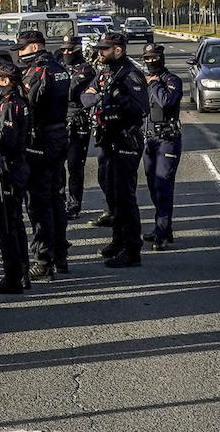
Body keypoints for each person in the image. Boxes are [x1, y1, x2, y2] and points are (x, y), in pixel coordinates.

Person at [82, 32, 150, 268]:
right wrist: (100, 97)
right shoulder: (104, 72)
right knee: (110, 191)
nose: (100, 53)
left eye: (105, 49)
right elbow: (85, 96)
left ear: (118, 50)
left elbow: (142, 108)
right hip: (107, 141)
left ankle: (132, 249)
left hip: (125, 140)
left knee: (124, 196)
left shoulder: (131, 74)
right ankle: (118, 240)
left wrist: (118, 103)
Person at [13, 29, 70, 280]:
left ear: (35, 47)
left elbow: (29, 103)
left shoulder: (39, 71)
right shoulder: (59, 67)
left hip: (42, 140)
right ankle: (60, 255)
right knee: (56, 196)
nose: (20, 54)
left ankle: (43, 257)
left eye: (22, 49)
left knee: (39, 200)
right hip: (59, 136)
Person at [0, 59, 31, 293]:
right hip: (13, 167)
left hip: (9, 170)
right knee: (13, 223)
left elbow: (8, 140)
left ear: (5, 80)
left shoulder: (9, 104)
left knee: (6, 226)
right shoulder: (4, 100)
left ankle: (14, 276)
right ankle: (21, 273)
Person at [141, 44, 182, 251]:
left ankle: (162, 233)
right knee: (152, 186)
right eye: (147, 59)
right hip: (149, 140)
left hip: (168, 139)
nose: (151, 62)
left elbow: (166, 102)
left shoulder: (171, 80)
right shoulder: (144, 81)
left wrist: (154, 84)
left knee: (163, 186)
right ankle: (164, 228)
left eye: (155, 58)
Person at [61, 35, 96, 218]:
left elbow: (70, 92)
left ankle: (74, 205)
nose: (66, 53)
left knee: (75, 166)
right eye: (64, 50)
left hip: (77, 123)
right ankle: (59, 201)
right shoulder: (60, 67)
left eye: (69, 50)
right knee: (57, 164)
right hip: (59, 122)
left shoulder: (86, 70)